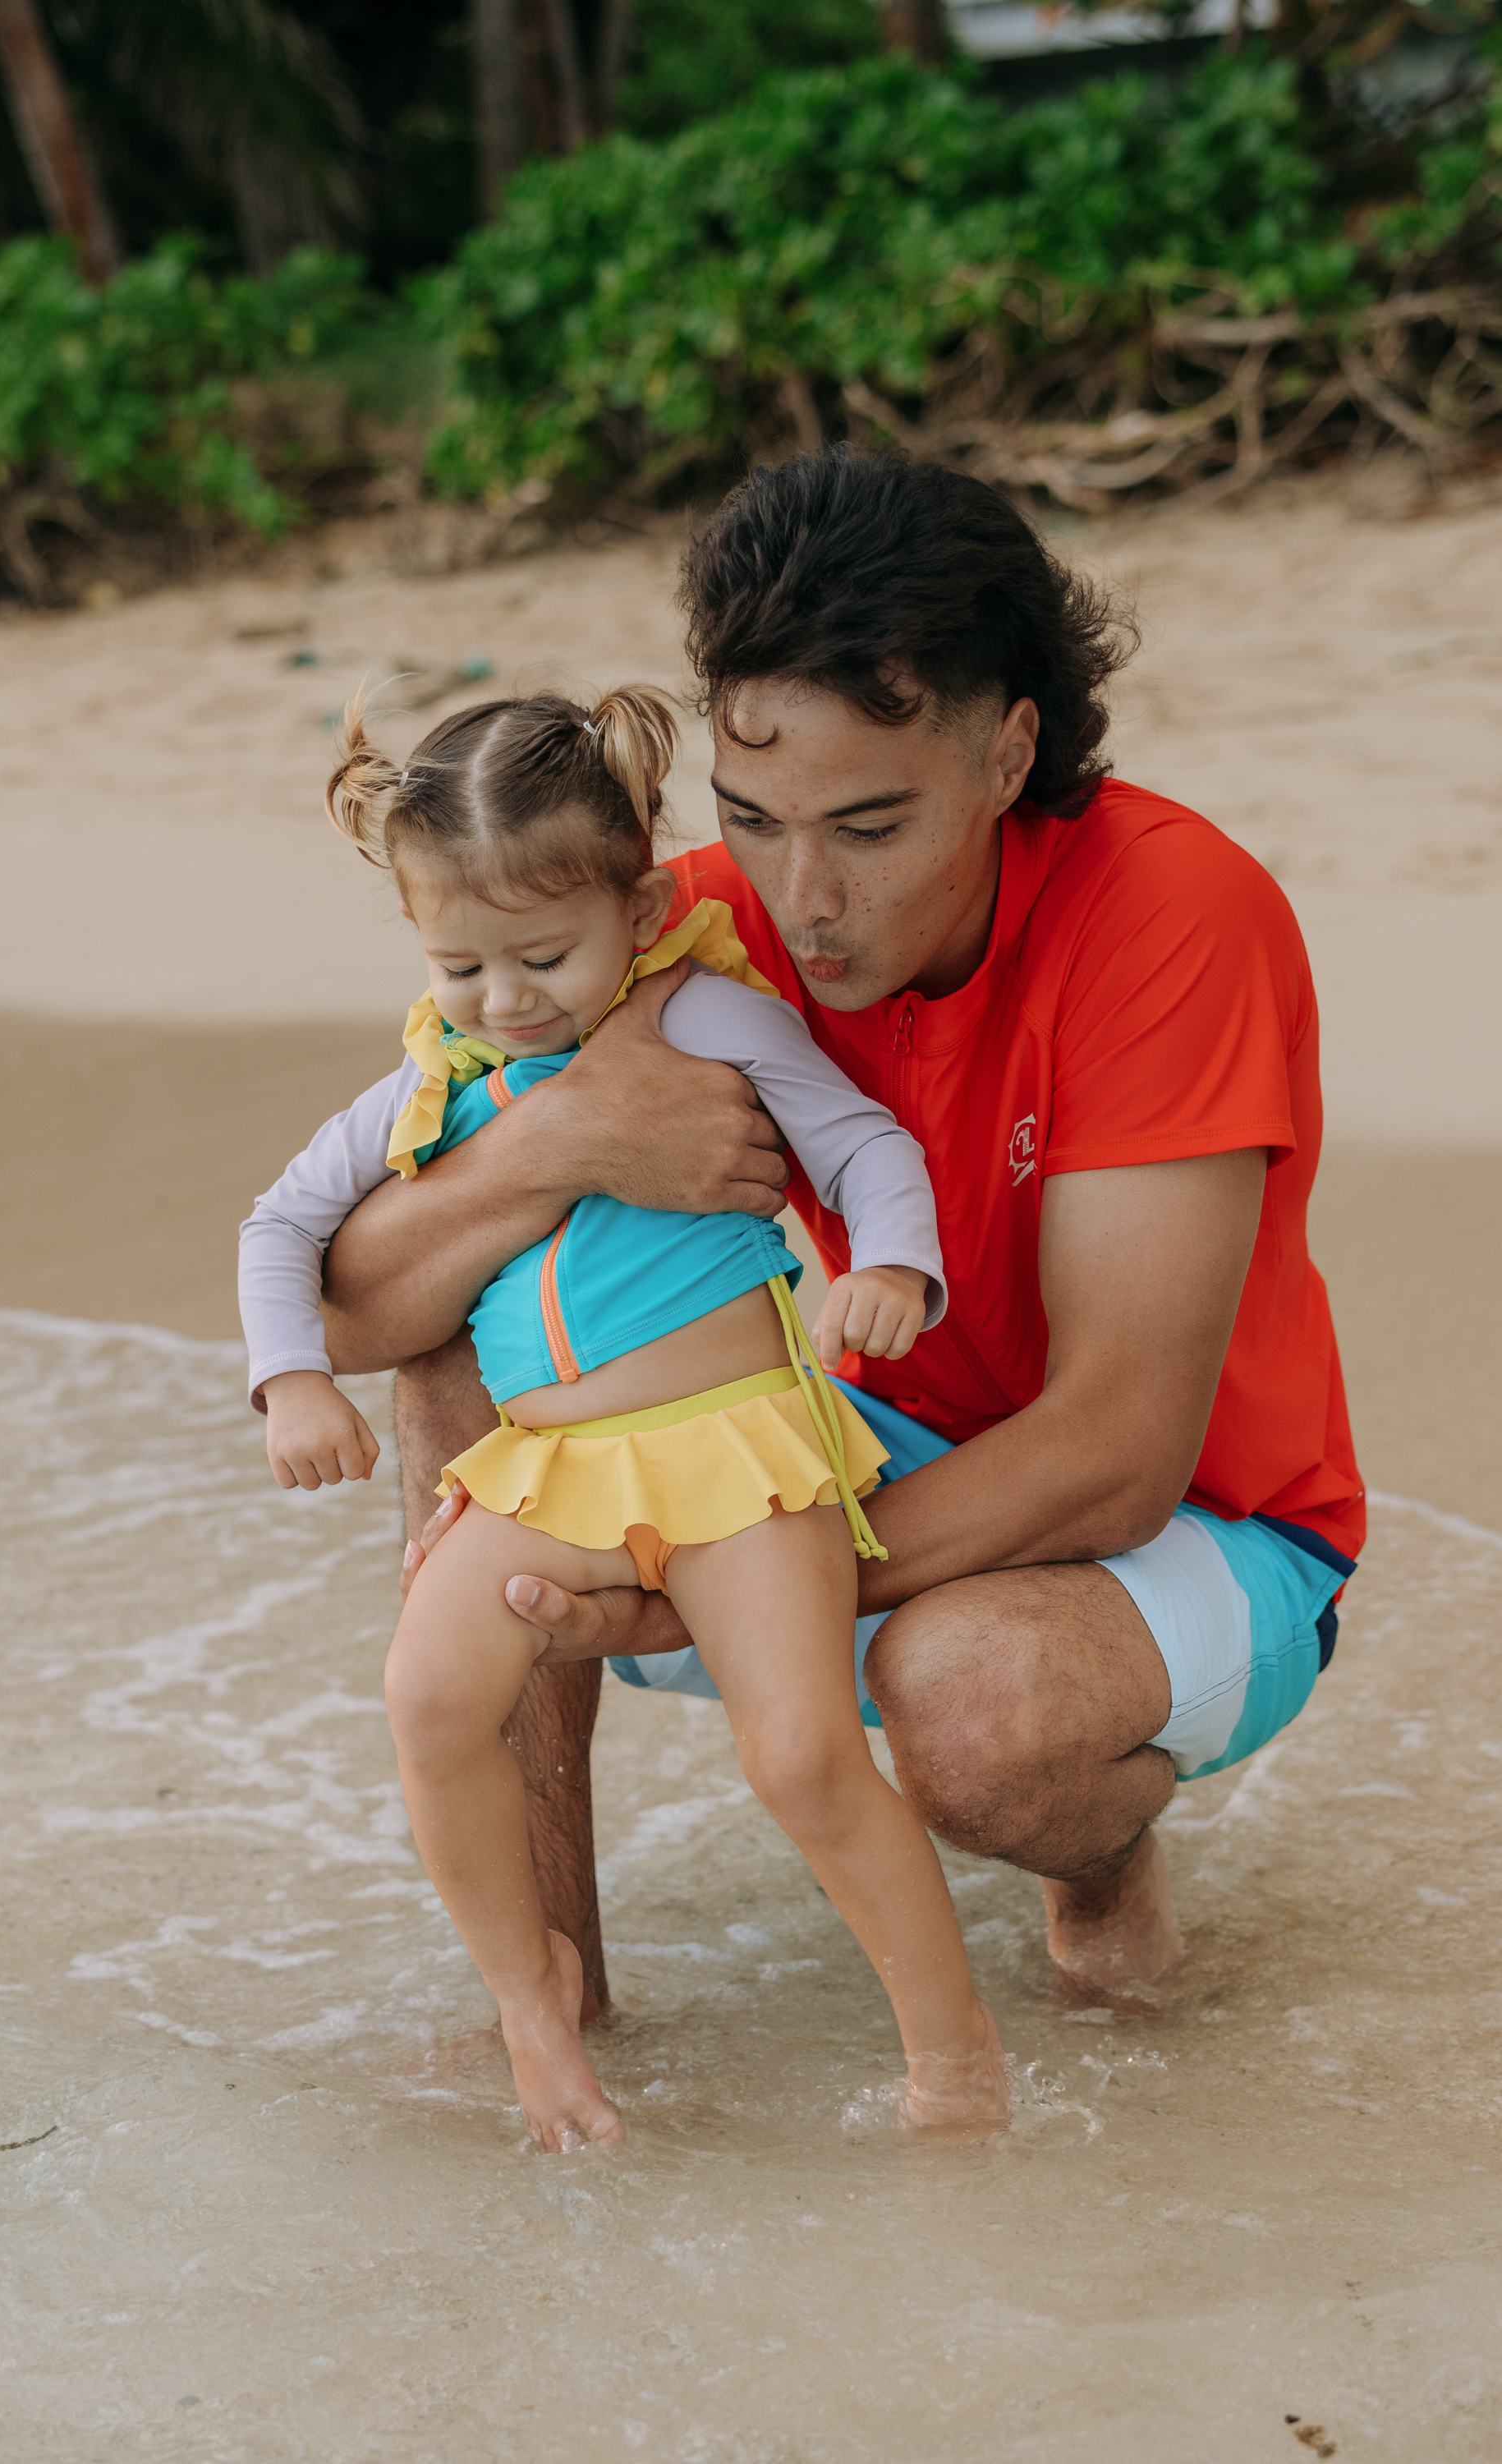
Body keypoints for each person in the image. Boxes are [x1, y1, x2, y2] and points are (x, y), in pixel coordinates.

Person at [315, 450, 1364, 2021]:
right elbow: (360, 1313)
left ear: (1009, 753)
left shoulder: (1171, 915)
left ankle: (1103, 1843)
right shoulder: (681, 927)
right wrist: (557, 1138)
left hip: (1206, 1524)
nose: (801, 900)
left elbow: (1120, 1448)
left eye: (869, 826)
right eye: (753, 817)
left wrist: (731, 1584)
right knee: (471, 1362)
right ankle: (560, 2014)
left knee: (975, 1711)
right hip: (861, 1436)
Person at [237, 681, 1008, 2151]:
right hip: (552, 1472)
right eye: (461, 963)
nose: (506, 1000)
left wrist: (894, 1263)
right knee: (428, 1696)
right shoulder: (436, 1079)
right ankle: (538, 2004)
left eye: (543, 955)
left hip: (735, 1445)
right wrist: (289, 1383)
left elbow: (863, 1142)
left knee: (798, 1753)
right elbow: (279, 1228)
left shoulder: (702, 1011)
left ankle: (950, 2051)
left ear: (642, 901)